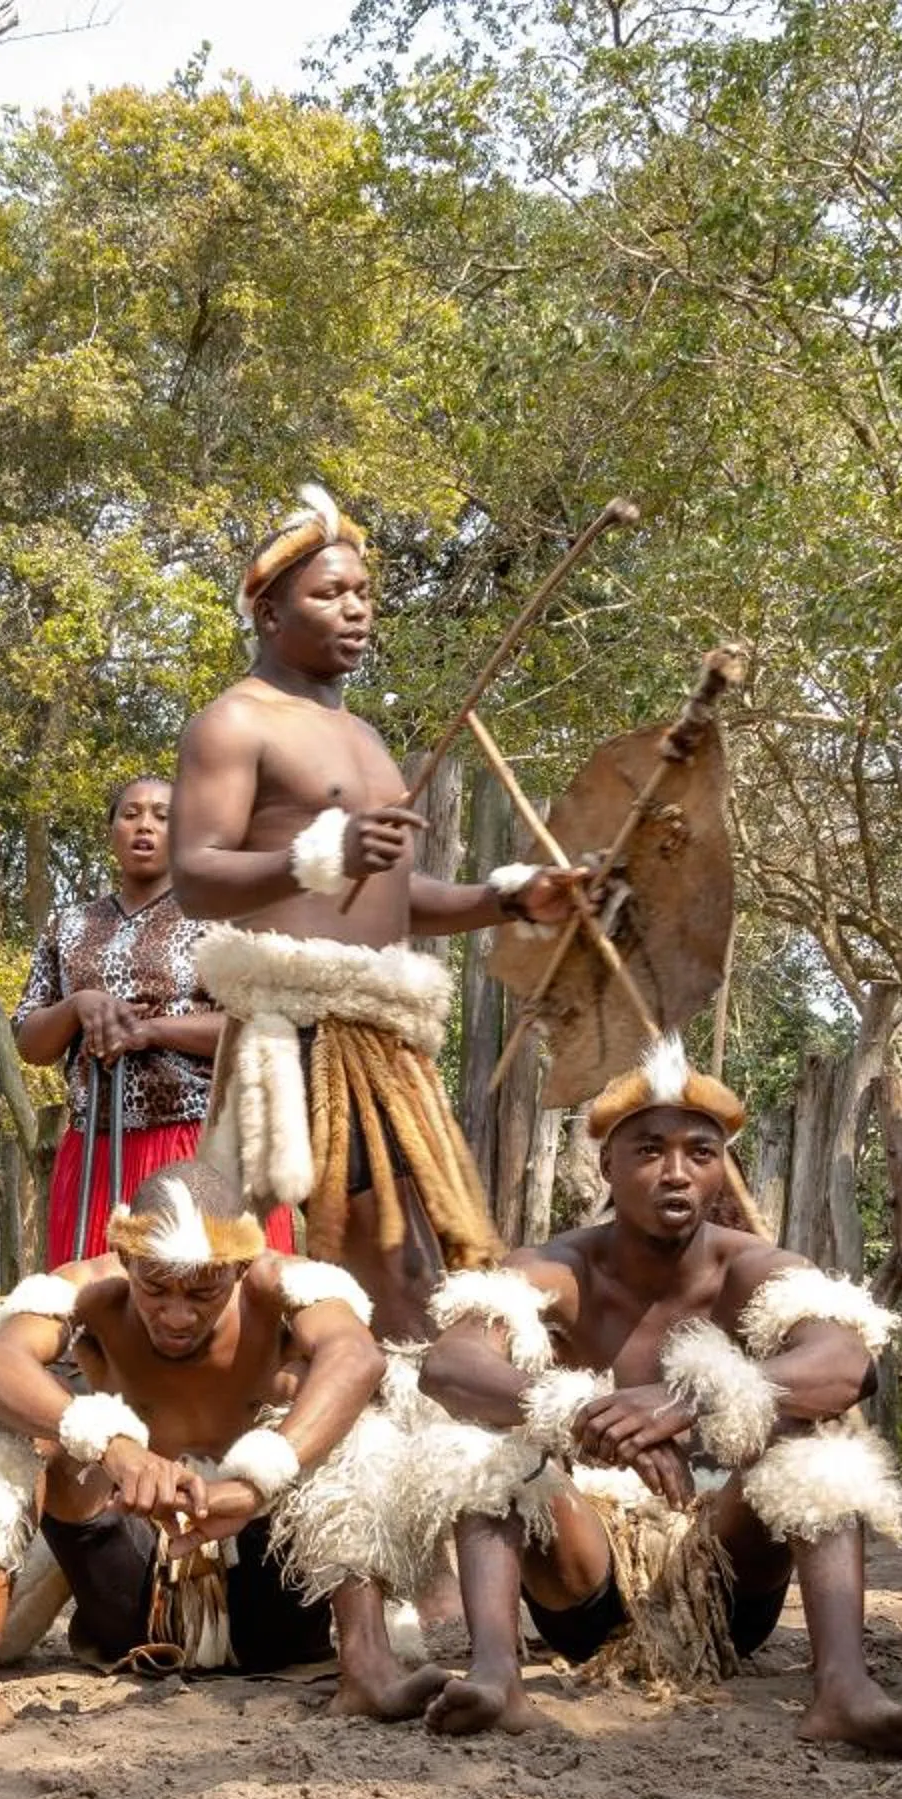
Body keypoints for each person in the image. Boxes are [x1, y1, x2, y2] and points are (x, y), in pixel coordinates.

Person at [412, 1037, 902, 1754]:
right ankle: (497, 1675)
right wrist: (576, 1411)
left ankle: (843, 1685)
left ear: (722, 1169)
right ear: (607, 1166)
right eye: (650, 1151)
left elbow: (847, 1365)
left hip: (724, 1574)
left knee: (820, 1437)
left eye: (700, 1153)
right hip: (582, 1575)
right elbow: (449, 1365)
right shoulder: (557, 1267)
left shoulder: (756, 1268)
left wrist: (696, 1396)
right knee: (481, 1439)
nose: (676, 1174)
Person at [170, 485, 586, 1344]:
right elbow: (198, 878)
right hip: (301, 1040)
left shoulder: (362, 736)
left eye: (363, 593)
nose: (355, 610)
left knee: (405, 1260)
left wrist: (505, 897)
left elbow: (393, 899)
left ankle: (385, 1424)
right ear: (269, 610)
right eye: (330, 594)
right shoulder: (236, 722)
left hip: (382, 1039)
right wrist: (321, 856)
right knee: (354, 1265)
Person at [0, 1163, 443, 1738]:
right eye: (154, 1287)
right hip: (131, 1598)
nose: (176, 1314)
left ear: (241, 1267)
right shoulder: (87, 1288)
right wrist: (111, 1445)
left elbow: (357, 1357)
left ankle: (368, 1666)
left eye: (203, 1291)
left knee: (353, 1421)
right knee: (4, 1429)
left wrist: (252, 1485)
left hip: (276, 1592)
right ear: (126, 1261)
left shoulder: (288, 1286)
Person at [18, 775, 292, 1266]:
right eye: (131, 814)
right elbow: (31, 1043)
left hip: (199, 1139)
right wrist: (78, 1003)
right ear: (111, 830)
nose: (145, 825)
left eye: (164, 817)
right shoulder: (69, 925)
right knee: (95, 1304)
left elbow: (260, 1026)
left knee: (207, 1300)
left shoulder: (222, 918)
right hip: (95, 1146)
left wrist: (152, 1031)